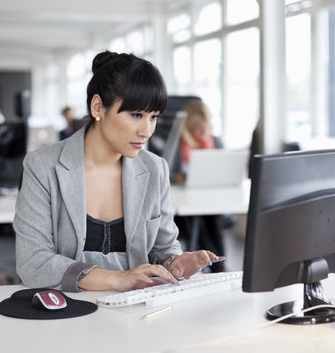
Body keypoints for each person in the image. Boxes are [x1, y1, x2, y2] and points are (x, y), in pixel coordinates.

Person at [14, 51, 224, 292]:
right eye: (136, 115)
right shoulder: (43, 166)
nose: (146, 131)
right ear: (98, 107)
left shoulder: (155, 169)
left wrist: (174, 263)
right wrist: (117, 279)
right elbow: (33, 263)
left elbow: (162, 247)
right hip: (67, 308)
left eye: (153, 117)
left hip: (137, 310)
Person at [171, 99, 228, 269]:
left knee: (210, 217)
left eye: (206, 127)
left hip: (209, 200)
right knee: (200, 220)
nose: (204, 132)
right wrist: (179, 178)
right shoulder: (176, 144)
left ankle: (216, 264)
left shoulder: (215, 143)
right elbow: (167, 174)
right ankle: (216, 266)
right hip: (183, 204)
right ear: (188, 126)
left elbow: (224, 171)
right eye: (198, 128)